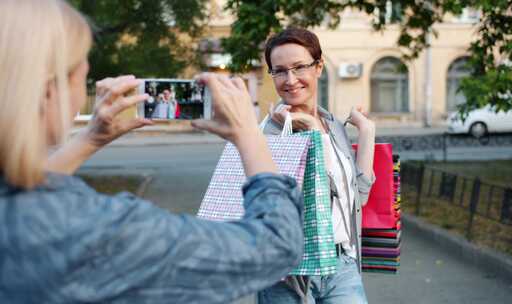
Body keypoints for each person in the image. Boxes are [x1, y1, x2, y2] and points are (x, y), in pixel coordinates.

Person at [0, 1, 304, 303]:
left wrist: (89, 140)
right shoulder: (94, 230)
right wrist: (249, 135)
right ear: (50, 91)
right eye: (83, 74)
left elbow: (23, 192)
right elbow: (276, 244)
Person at [258, 27, 376, 304]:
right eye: (280, 71)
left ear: (319, 67)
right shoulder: (270, 134)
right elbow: (291, 207)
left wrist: (367, 132)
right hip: (288, 275)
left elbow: (360, 196)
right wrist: (309, 130)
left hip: (342, 266)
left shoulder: (332, 125)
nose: (290, 80)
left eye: (299, 67)